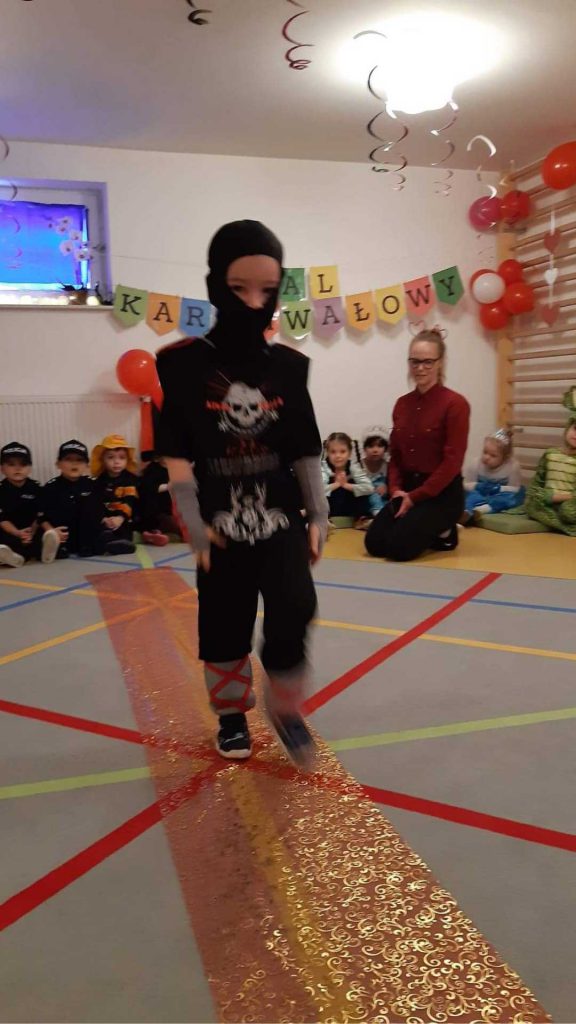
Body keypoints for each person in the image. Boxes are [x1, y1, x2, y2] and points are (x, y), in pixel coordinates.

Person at [156, 219, 328, 767]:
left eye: (267, 290)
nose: (254, 302)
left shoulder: (289, 368)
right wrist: (190, 521)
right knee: (223, 620)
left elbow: (305, 450)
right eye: (238, 289)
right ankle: (231, 717)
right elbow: (176, 455)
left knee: (295, 606)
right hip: (219, 526)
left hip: (280, 519)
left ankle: (285, 704)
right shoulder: (181, 365)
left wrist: (318, 515)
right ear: (215, 285)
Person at [365, 328, 470, 561]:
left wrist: (415, 498)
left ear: (440, 363)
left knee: (398, 549)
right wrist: (396, 491)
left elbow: (452, 463)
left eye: (427, 362)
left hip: (441, 493)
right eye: (414, 362)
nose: (420, 368)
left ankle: (446, 530)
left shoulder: (455, 404)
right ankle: (429, 529)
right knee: (374, 544)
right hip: (407, 489)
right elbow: (396, 457)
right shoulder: (402, 404)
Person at [39, 440, 96, 560]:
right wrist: (52, 531)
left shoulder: (93, 484)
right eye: (68, 459)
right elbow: (42, 516)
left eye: (79, 460)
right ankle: (55, 546)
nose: (74, 464)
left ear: (87, 465)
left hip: (87, 537)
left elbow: (99, 512)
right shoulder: (50, 487)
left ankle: (89, 544)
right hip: (62, 535)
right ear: (58, 464)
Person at [0, 442, 54, 567]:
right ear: (2, 468)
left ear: (30, 468)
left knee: (44, 533)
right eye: (11, 464)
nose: (17, 468)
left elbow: (40, 515)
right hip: (11, 531)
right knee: (4, 539)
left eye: (23, 464)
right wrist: (17, 533)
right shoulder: (1, 490)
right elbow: (2, 519)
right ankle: (13, 557)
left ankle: (44, 553)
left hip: (31, 530)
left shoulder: (36, 487)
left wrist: (31, 532)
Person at [88, 434, 139, 555]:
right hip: (106, 518)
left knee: (125, 528)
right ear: (103, 460)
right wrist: (104, 518)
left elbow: (129, 501)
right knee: (96, 527)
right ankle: (106, 541)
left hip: (124, 517)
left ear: (127, 460)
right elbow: (96, 502)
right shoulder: (100, 480)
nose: (116, 462)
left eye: (122, 458)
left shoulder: (130, 479)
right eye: (111, 457)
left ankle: (123, 543)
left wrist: (120, 518)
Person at [525, 417, 576, 536]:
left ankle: (562, 523)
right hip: (548, 499)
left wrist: (555, 497)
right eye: (575, 428)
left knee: (568, 511)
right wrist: (534, 495)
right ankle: (560, 522)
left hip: (569, 502)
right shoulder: (550, 454)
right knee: (531, 503)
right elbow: (537, 481)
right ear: (568, 428)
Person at [462, 429, 524, 524]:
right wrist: (477, 486)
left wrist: (499, 489)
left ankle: (482, 510)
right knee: (469, 496)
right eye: (485, 452)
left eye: (493, 455)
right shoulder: (476, 463)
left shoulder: (512, 466)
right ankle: (467, 512)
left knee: (511, 498)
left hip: (499, 495)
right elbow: (466, 485)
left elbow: (515, 489)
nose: (486, 457)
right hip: (479, 493)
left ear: (505, 457)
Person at [322, 432, 374, 526]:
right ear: (327, 453)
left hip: (349, 508)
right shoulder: (324, 467)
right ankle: (324, 520)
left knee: (359, 488)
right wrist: (337, 484)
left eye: (342, 451)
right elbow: (317, 491)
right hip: (330, 508)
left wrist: (346, 485)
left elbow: (369, 488)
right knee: (319, 494)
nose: (338, 456)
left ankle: (362, 519)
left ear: (349, 453)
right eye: (333, 452)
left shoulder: (353, 467)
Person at [139, 449, 182, 546]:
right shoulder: (153, 470)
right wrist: (168, 486)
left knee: (178, 528)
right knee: (173, 526)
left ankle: (155, 534)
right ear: (158, 458)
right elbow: (149, 488)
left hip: (167, 510)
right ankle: (152, 533)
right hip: (156, 512)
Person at [360, 425, 389, 518]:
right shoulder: (359, 465)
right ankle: (377, 512)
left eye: (380, 446)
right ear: (365, 448)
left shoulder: (387, 466)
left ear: (385, 449)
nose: (375, 450)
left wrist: (387, 487)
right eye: (371, 446)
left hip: (383, 498)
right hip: (365, 499)